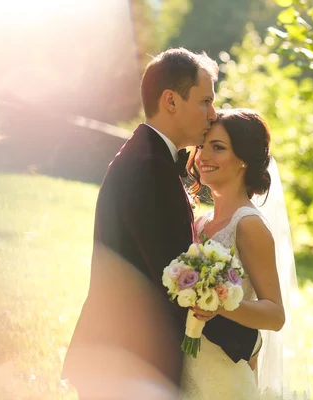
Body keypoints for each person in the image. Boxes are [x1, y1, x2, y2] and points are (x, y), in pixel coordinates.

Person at [62, 47, 219, 398]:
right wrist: (241, 337)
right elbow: (174, 278)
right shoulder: (149, 167)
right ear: (171, 101)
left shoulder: (149, 156)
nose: (213, 113)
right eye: (205, 101)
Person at [183, 108, 309, 400]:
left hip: (225, 375)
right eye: (202, 146)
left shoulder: (249, 225)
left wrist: (220, 306)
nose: (203, 156)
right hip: (190, 367)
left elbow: (275, 315)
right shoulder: (201, 222)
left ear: (243, 159)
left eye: (218, 148)